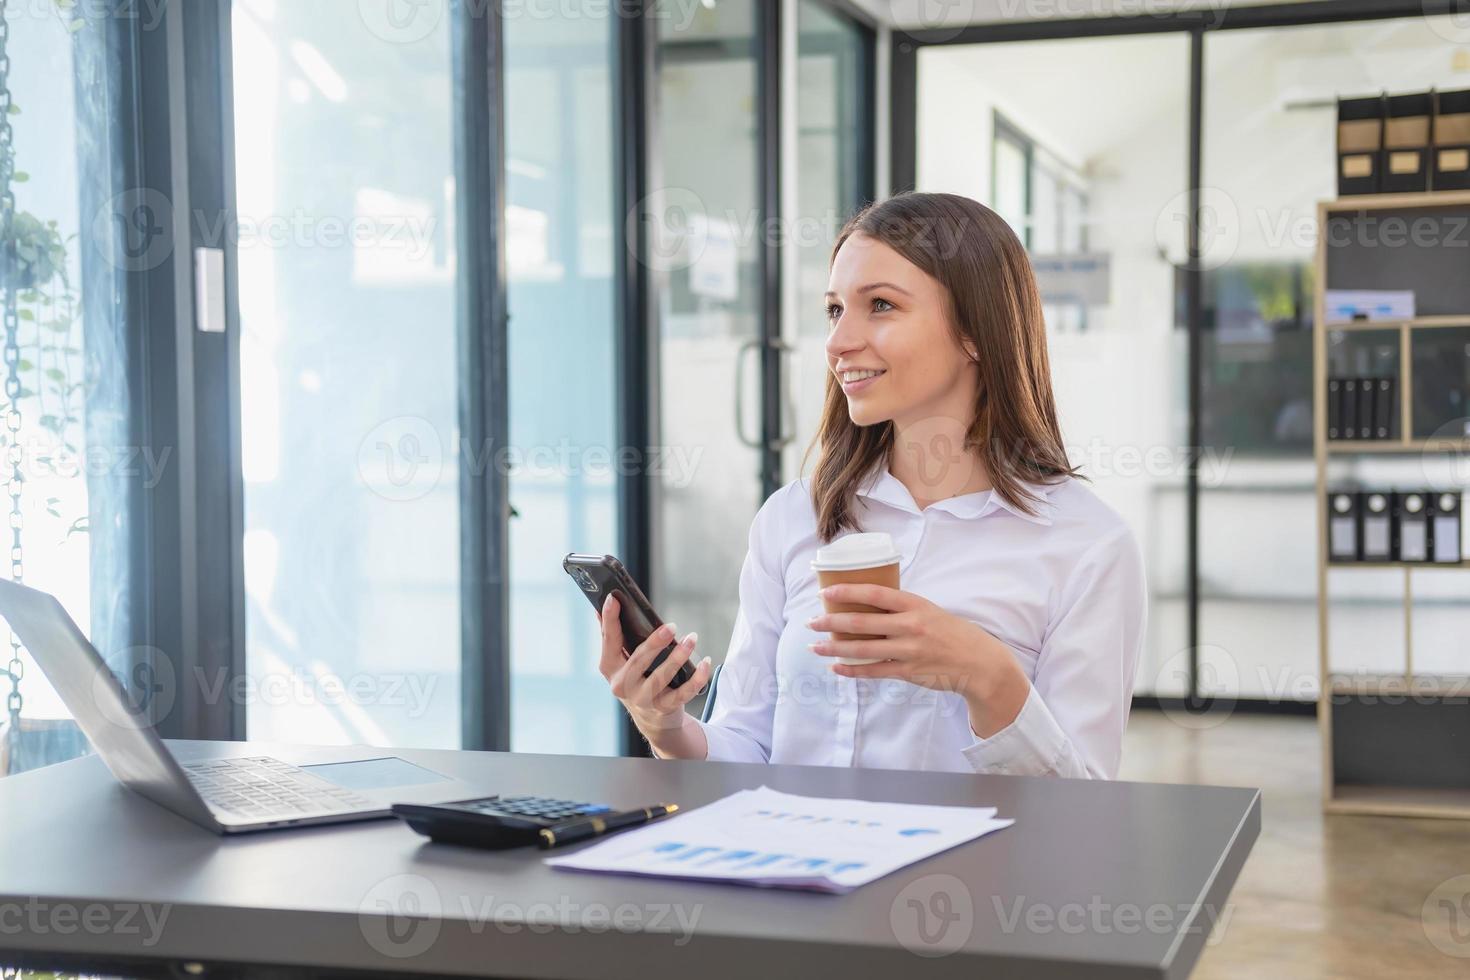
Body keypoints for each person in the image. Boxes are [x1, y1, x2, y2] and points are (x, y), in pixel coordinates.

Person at [595, 192, 1146, 778]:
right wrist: (667, 727)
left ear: (976, 332)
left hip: (966, 871)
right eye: (835, 310)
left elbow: (1085, 807)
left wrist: (989, 676)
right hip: (792, 862)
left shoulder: (1087, 546)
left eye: (880, 305)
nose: (837, 343)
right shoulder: (792, 519)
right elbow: (748, 748)